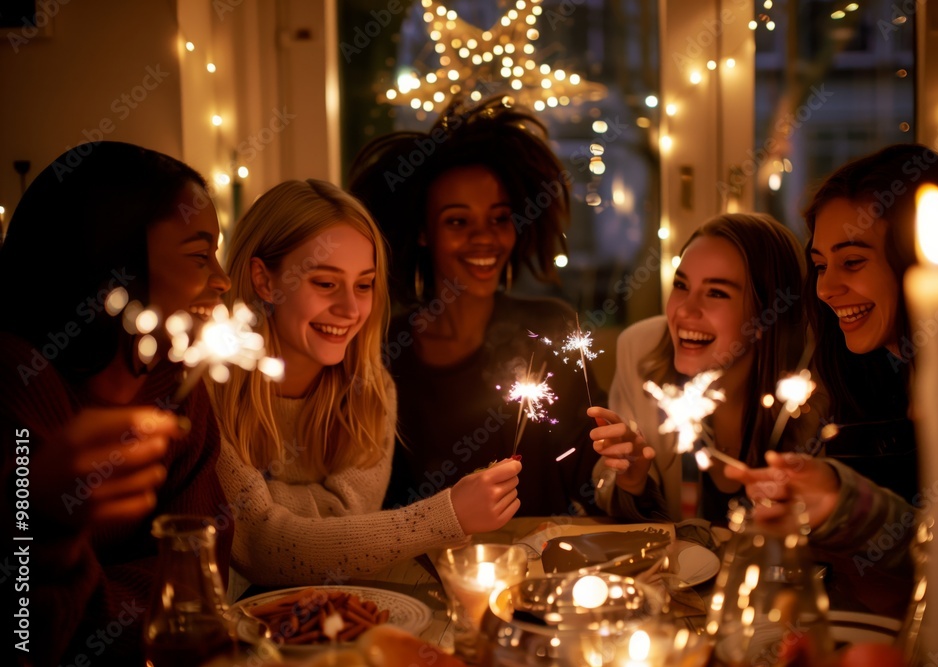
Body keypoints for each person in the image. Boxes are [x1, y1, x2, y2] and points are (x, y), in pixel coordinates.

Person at [726, 143, 938, 615]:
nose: (828, 288)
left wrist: (849, 508)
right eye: (819, 265)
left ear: (924, 260)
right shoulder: (846, 369)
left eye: (852, 261)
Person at [209, 179, 521, 589]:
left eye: (364, 284)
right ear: (265, 281)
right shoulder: (209, 395)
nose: (350, 308)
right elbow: (268, 548)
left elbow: (347, 538)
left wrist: (279, 510)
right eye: (324, 283)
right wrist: (447, 514)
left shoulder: (370, 393)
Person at [0, 141, 234, 666]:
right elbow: (24, 625)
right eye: (200, 255)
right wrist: (50, 523)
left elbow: (204, 563)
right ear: (115, 262)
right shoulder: (18, 380)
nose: (221, 279)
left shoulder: (179, 382)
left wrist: (100, 596)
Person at [348, 95, 601, 518]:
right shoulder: (382, 348)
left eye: (499, 218)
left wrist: (624, 476)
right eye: (458, 221)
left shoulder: (551, 330)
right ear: (424, 232)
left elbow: (586, 476)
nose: (484, 238)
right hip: (418, 571)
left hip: (536, 568)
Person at [587, 213, 819, 524]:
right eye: (681, 285)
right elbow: (613, 500)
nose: (685, 309)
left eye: (716, 292)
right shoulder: (639, 352)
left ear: (767, 315)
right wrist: (632, 482)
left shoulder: (807, 396)